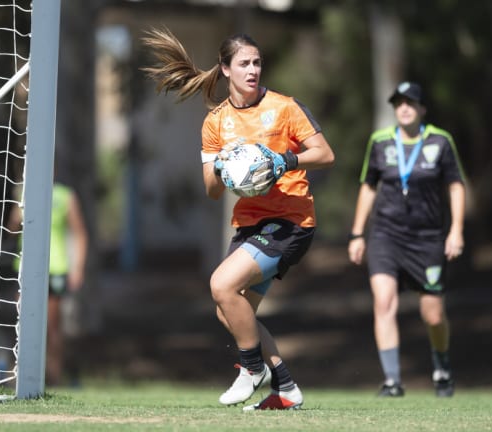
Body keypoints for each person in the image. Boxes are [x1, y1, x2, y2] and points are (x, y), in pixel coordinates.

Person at [142, 29, 334, 410]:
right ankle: (286, 387)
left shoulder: (284, 107)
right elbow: (213, 190)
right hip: (250, 224)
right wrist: (227, 167)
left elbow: (325, 154)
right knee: (229, 306)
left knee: (221, 285)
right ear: (225, 69)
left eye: (257, 62)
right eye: (244, 63)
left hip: (291, 219)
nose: (253, 70)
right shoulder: (215, 123)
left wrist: (285, 160)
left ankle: (251, 370)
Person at [347, 81, 466, 398]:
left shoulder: (441, 141)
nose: (404, 107)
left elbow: (455, 186)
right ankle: (392, 381)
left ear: (422, 109)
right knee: (384, 303)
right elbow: (368, 186)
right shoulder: (380, 142)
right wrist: (358, 233)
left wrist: (456, 231)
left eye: (411, 102)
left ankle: (441, 369)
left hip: (427, 239)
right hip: (385, 235)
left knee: (433, 314)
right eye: (399, 102)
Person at [10, 179, 88, 387]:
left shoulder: (65, 196)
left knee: (52, 326)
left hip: (55, 267)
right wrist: (16, 215)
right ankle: (22, 375)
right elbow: (11, 228)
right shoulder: (24, 191)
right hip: (25, 266)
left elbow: (79, 232)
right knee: (23, 322)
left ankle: (54, 377)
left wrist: (78, 267)